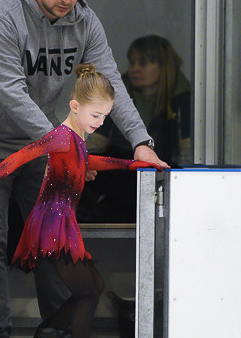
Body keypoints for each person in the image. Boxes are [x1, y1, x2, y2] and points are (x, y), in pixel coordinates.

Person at [0, 0, 168, 338]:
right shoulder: (1, 20)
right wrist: (63, 143)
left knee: (55, 244)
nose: (66, 0)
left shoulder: (84, 22)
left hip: (47, 144)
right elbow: (10, 93)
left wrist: (140, 142)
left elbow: (110, 84)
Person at [0, 64, 162, 338]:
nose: (100, 122)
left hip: (61, 223)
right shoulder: (59, 136)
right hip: (51, 226)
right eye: (96, 115)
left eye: (105, 117)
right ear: (75, 106)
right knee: (87, 291)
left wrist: (134, 165)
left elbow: (91, 160)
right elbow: (18, 158)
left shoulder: (78, 140)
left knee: (93, 285)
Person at [79, 35, 191, 223]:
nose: (134, 69)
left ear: (164, 68)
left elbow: (189, 155)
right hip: (121, 176)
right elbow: (98, 141)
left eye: (144, 63)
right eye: (132, 63)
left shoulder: (182, 99)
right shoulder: (118, 94)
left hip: (167, 174)